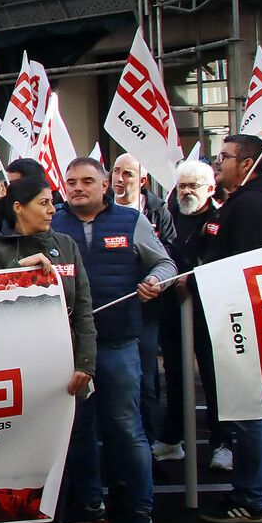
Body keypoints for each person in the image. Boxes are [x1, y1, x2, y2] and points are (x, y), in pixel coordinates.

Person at [51, 157, 175, 523]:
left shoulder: (131, 221)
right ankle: (89, 503)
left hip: (118, 341)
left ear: (106, 185)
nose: (77, 188)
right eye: (70, 182)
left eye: (87, 181)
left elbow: (166, 263)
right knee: (78, 430)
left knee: (126, 428)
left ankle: (139, 509)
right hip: (67, 348)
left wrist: (155, 280)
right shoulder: (51, 223)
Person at [0, 176, 97, 523]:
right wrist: (18, 269)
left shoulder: (66, 246)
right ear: (19, 207)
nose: (52, 210)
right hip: (13, 367)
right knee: (15, 451)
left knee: (59, 453)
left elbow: (83, 311)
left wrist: (86, 364)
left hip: (62, 367)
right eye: (44, 203)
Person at [200, 135, 262, 523]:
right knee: (260, 411)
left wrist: (195, 282)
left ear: (246, 164)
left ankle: (250, 497)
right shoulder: (245, 202)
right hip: (250, 324)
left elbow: (241, 269)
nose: (217, 162)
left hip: (244, 323)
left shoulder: (251, 206)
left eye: (224, 157)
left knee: (250, 411)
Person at [156, 159, 228, 469]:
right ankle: (173, 439)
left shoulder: (221, 218)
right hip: (173, 310)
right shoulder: (168, 217)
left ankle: (222, 442)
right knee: (175, 376)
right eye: (182, 185)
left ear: (210, 188)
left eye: (193, 186)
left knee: (215, 378)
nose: (186, 192)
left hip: (210, 312)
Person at [112, 154, 177, 448]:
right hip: (108, 315)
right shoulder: (101, 214)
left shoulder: (156, 212)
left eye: (127, 173)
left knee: (145, 381)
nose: (119, 179)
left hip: (146, 312)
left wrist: (156, 280)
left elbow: (170, 258)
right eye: (115, 172)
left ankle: (148, 446)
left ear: (142, 180)